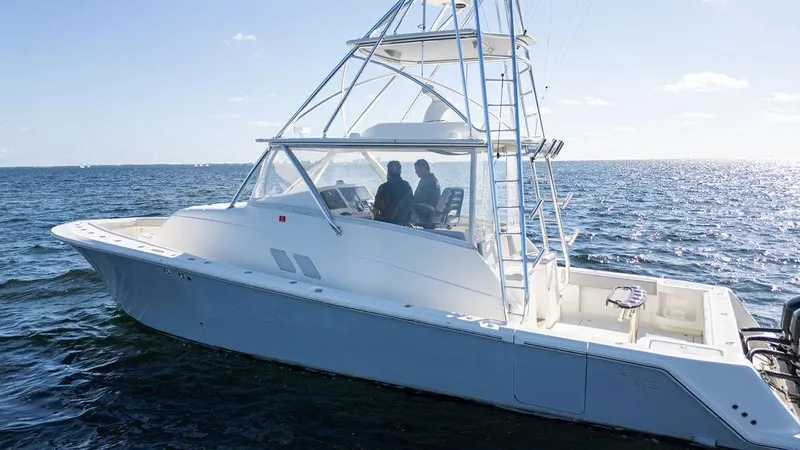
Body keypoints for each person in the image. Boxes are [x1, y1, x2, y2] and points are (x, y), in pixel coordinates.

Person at [372, 160, 413, 226]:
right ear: (400, 172)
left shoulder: (383, 187)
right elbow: (410, 205)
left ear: (388, 173)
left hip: (386, 223)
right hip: (403, 223)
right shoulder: (407, 186)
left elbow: (375, 210)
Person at [410, 159, 441, 228]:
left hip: (425, 211)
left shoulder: (426, 180)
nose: (416, 172)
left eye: (417, 169)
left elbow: (417, 199)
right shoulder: (434, 179)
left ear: (423, 168)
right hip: (432, 210)